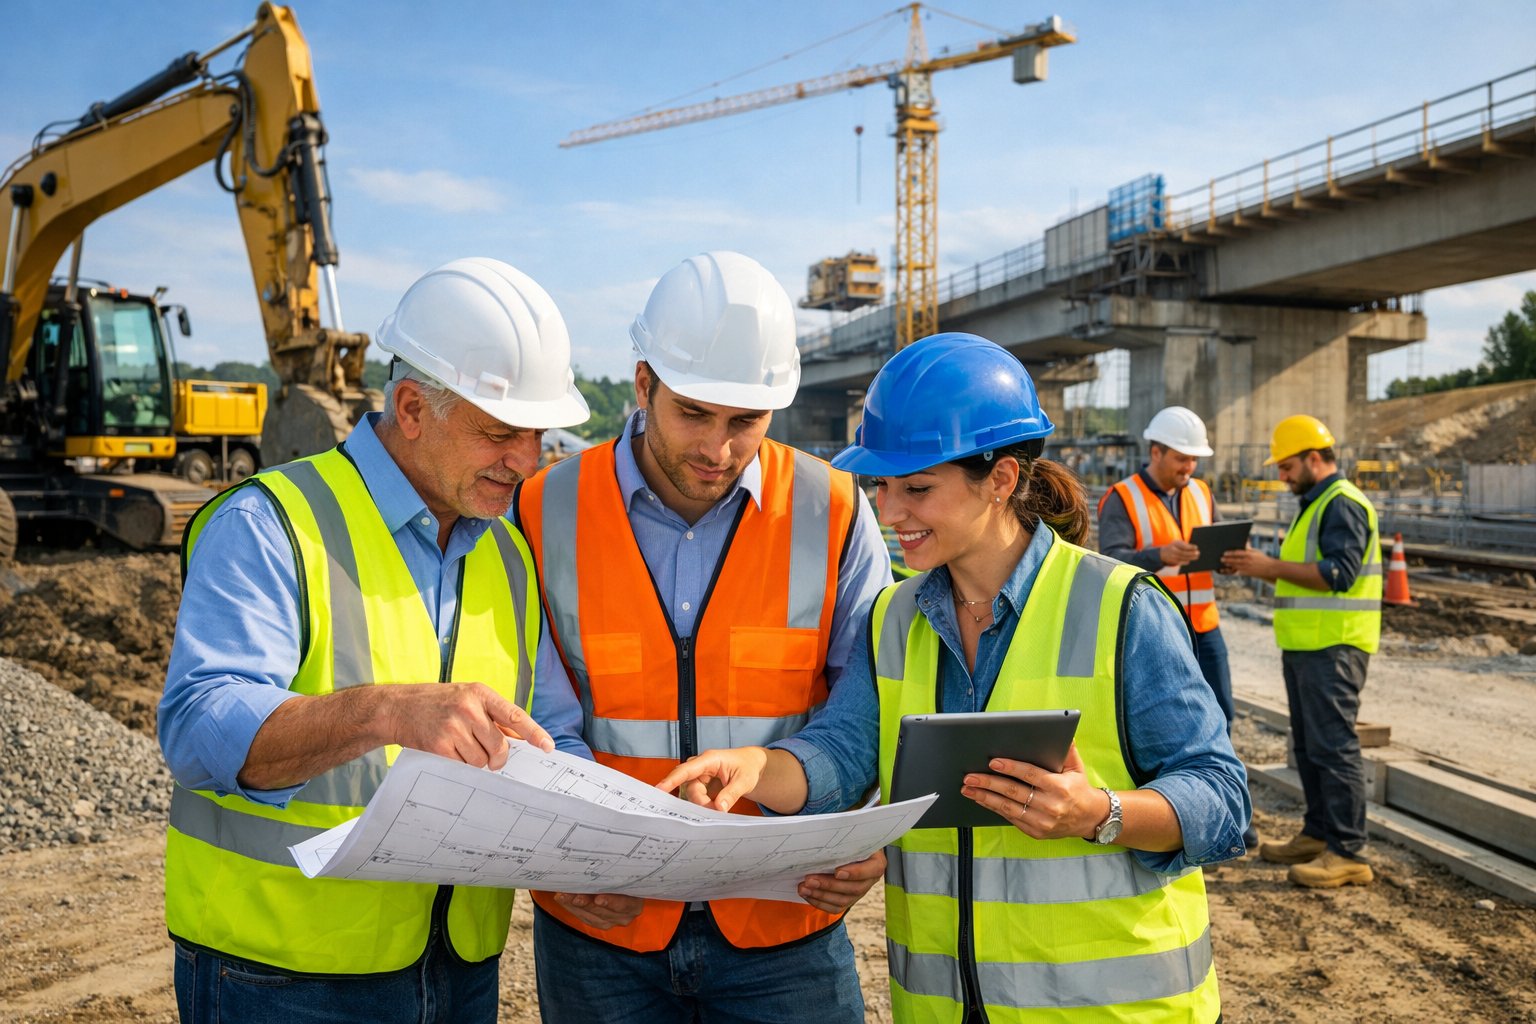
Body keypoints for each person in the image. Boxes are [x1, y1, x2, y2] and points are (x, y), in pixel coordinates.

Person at [660, 333, 1250, 1023]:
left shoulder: (1121, 607)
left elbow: (1221, 796)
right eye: (881, 485)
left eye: (916, 488)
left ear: (1000, 480)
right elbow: (841, 753)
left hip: (1115, 1008)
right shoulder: (894, 616)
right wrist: (753, 767)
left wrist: (1099, 815)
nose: (889, 511)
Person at [157, 258, 593, 1023]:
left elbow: (549, 728)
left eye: (538, 433)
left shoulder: (508, 551)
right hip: (281, 976)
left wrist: (594, 829)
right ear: (414, 407)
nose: (528, 461)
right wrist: (384, 712)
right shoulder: (272, 525)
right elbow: (197, 729)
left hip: (456, 965)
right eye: (501, 432)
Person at [515, 250, 893, 1023]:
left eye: (745, 422)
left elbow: (875, 696)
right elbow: (534, 709)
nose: (717, 450)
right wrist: (577, 850)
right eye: (694, 413)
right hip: (601, 924)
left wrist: (858, 823)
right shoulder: (540, 507)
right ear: (644, 383)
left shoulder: (836, 508)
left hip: (782, 922)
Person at [1222, 415, 1381, 889]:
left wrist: (1267, 566)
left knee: (1334, 746)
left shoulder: (1342, 504)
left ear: (1315, 459)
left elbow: (1339, 575)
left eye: (1288, 466)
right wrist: (1265, 566)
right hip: (1308, 644)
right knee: (1310, 747)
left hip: (1335, 645)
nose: (1282, 476)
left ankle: (1348, 850)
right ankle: (1318, 834)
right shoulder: (1317, 503)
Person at [1097, 406, 1258, 848]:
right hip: (1156, 634)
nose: (1189, 467)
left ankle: (1229, 816)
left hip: (1205, 625)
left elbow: (1206, 548)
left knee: (1222, 717)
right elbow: (1109, 560)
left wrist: (1223, 563)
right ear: (1156, 451)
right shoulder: (1122, 497)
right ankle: (1165, 815)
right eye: (1182, 458)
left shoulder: (1202, 492)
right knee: (1163, 727)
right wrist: (1158, 556)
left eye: (1194, 460)